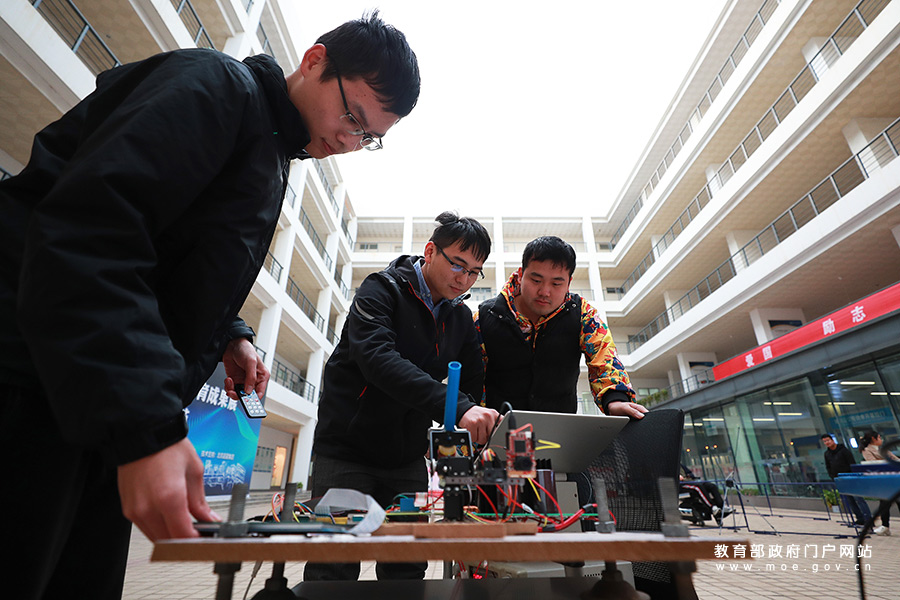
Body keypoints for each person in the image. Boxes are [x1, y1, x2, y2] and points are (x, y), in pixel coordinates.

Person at [0, 12, 420, 600]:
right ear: (314, 61)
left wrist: (232, 333)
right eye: (353, 118)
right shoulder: (217, 87)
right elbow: (90, 234)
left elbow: (175, 254)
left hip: (97, 403)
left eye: (368, 138)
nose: (350, 143)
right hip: (35, 377)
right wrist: (148, 429)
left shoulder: (271, 152)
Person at [305, 212, 499, 582]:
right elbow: (378, 361)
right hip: (347, 450)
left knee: (406, 566)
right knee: (333, 564)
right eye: (458, 264)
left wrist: (471, 420)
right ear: (431, 251)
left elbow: (473, 383)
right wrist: (459, 407)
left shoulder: (460, 318)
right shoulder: (381, 289)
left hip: (407, 459)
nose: (464, 279)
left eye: (475, 272)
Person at [474, 236, 643, 418]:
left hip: (561, 430)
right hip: (499, 428)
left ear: (569, 283)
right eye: (536, 280)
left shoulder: (583, 314)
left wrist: (616, 399)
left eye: (556, 284)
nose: (544, 292)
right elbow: (472, 378)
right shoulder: (485, 316)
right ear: (521, 274)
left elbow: (604, 358)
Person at [821, 433, 872, 525]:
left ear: (832, 440)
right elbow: (828, 466)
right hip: (840, 480)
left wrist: (853, 476)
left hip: (850, 478)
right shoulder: (827, 454)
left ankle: (868, 519)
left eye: (828, 440)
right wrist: (833, 477)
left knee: (859, 499)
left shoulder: (843, 450)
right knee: (850, 501)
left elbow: (851, 463)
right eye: (824, 441)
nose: (827, 443)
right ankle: (860, 519)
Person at [860, 430, 899, 536]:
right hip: (884, 480)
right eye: (879, 437)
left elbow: (895, 459)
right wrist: (890, 463)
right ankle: (885, 526)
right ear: (874, 438)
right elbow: (873, 464)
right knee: (885, 502)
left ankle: (885, 526)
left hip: (894, 478)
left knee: (887, 502)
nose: (881, 439)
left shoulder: (883, 449)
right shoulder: (867, 450)